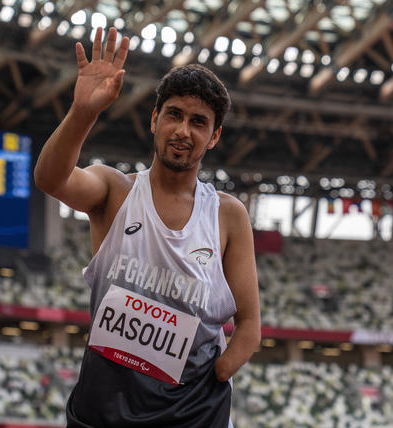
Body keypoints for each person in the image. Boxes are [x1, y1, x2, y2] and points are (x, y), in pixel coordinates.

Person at [34, 26, 260, 427]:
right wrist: (84, 111)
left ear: (214, 136)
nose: (183, 131)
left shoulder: (227, 215)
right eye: (174, 114)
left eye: (198, 122)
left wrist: (213, 377)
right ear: (155, 118)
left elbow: (250, 326)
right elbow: (51, 179)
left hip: (192, 414)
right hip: (104, 408)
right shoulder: (114, 190)